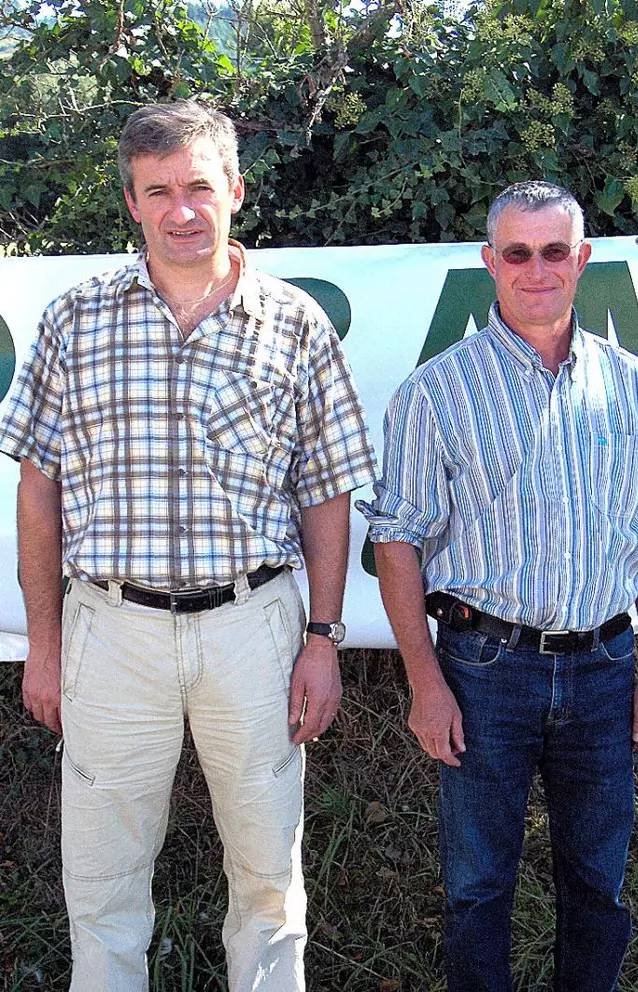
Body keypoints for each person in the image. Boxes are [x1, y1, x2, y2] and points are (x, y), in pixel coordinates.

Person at [0, 100, 376, 991]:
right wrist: (44, 644)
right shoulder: (73, 321)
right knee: (101, 884)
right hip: (110, 631)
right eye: (157, 190)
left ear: (235, 191)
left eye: (198, 187)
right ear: (131, 201)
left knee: (266, 879)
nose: (181, 210)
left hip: (253, 629)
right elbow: (38, 488)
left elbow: (326, 494)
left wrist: (322, 639)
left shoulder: (293, 325)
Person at [358, 181, 638, 992]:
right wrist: (424, 681)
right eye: (517, 252)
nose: (536, 269)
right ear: (487, 262)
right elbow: (396, 542)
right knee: (476, 889)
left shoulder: (632, 384)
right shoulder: (438, 390)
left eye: (554, 250)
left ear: (582, 259)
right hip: (482, 671)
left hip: (608, 670)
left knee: (598, 885)